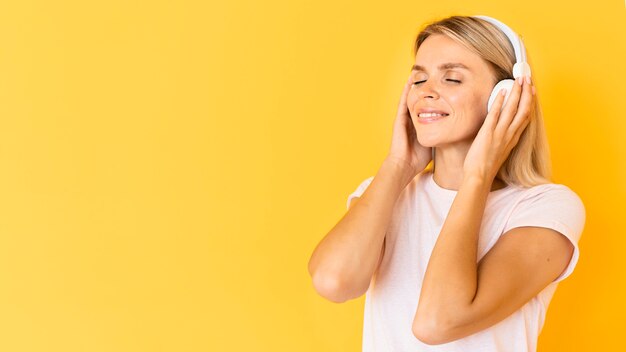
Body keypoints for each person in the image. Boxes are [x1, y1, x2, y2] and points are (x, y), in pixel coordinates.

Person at [307, 15, 586, 351]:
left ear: (505, 97)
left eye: (452, 79)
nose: (427, 92)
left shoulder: (546, 208)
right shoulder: (385, 193)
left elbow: (438, 320)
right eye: (418, 80)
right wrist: (398, 165)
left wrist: (478, 174)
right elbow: (333, 282)